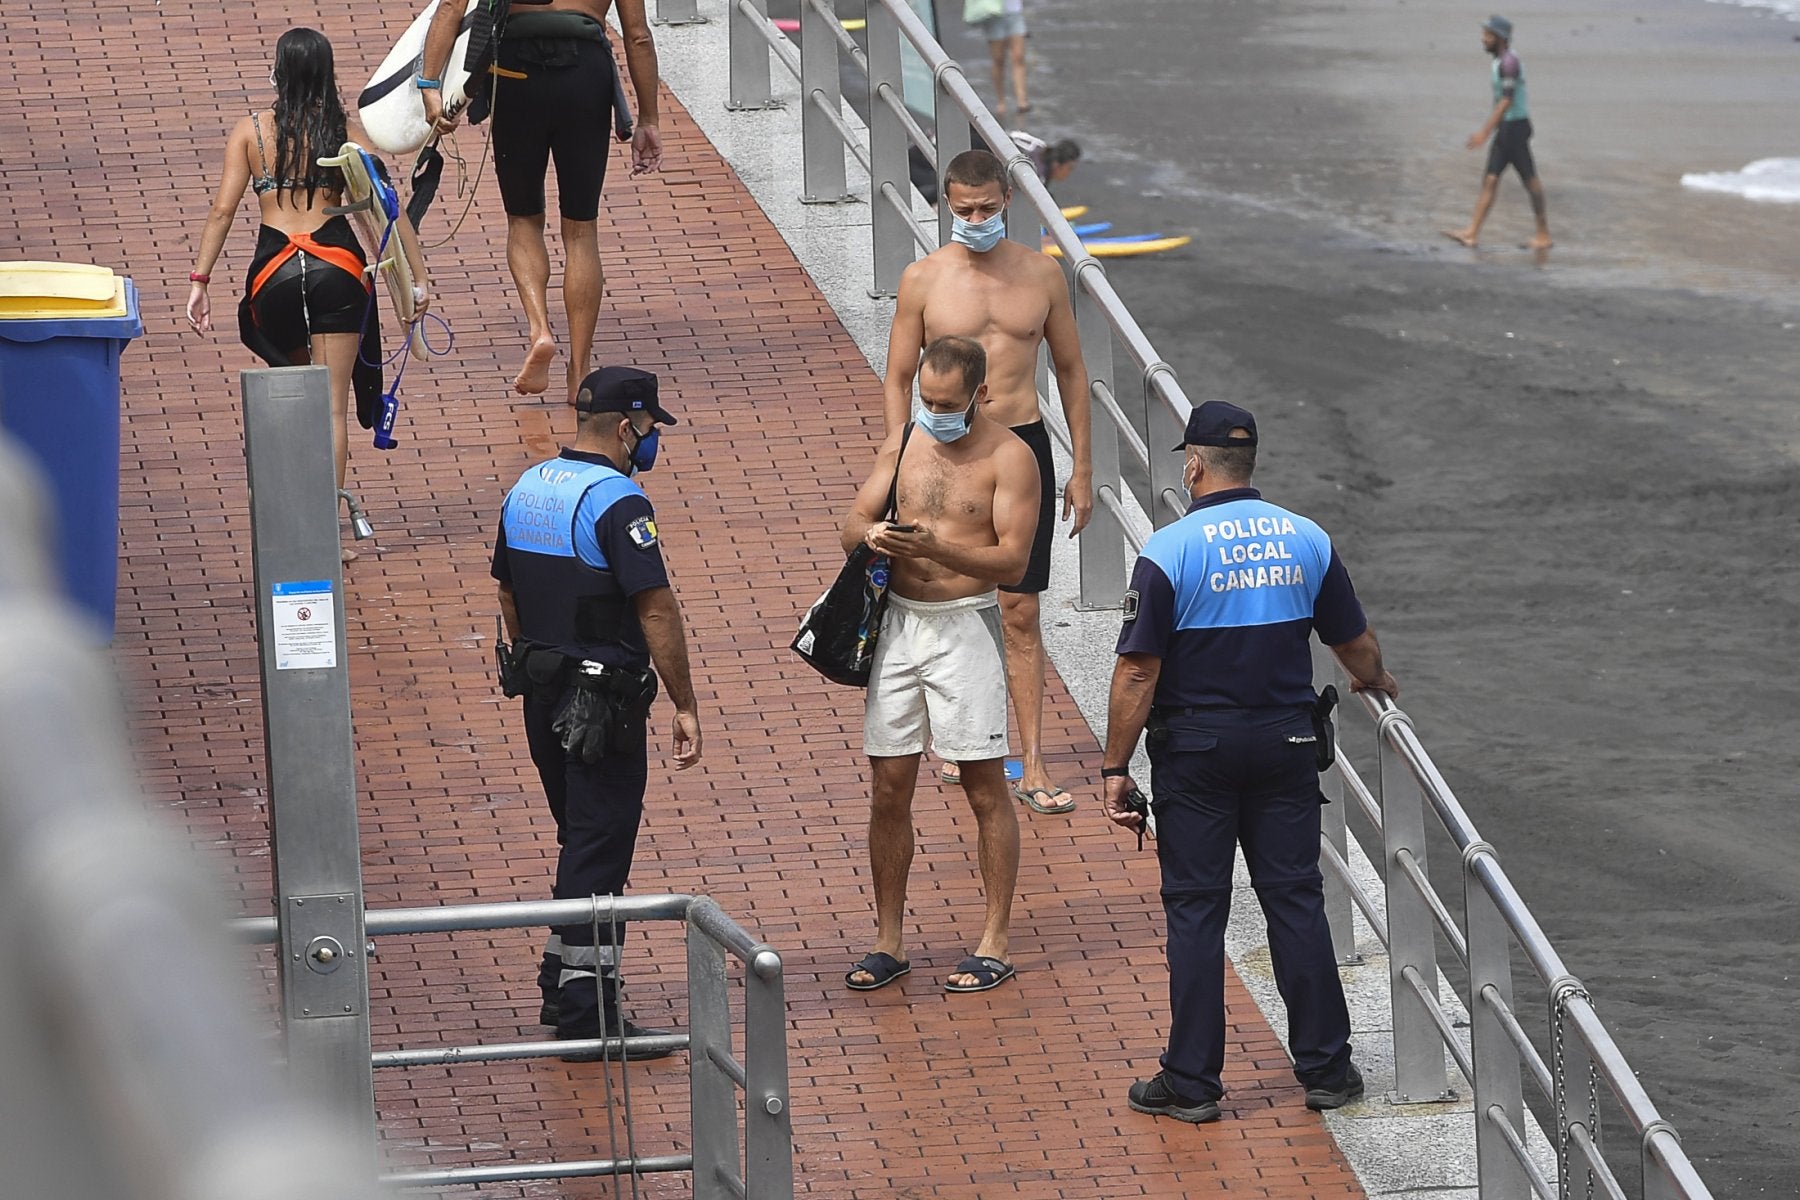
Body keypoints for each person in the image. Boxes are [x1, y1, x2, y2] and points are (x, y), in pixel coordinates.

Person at [1099, 401, 1396, 1122]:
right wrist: (1375, 680)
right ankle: (1327, 1070)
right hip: (1287, 743)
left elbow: (1138, 672)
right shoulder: (1307, 538)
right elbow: (1353, 644)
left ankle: (1193, 1083)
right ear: (1249, 462)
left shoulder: (1170, 551)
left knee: (1197, 913)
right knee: (1293, 900)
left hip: (1197, 750)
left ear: (1194, 464)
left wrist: (1115, 767)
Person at [492, 365, 701, 1059]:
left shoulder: (527, 487)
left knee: (579, 839)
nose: (648, 442)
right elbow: (655, 608)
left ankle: (562, 977)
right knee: (600, 844)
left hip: (543, 693)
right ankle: (587, 1012)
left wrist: (532, 656)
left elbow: (508, 593)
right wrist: (684, 702)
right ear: (623, 427)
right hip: (600, 705)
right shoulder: (621, 502)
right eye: (647, 428)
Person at [883, 148, 1093, 816]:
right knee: (943, 596)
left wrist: (1082, 468)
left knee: (1021, 609)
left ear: (1009, 201)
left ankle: (1031, 764)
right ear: (948, 205)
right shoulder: (923, 278)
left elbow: (1070, 371)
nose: (975, 220)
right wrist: (898, 452)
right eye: (963, 210)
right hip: (943, 448)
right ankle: (954, 741)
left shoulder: (1042, 276)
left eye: (988, 209)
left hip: (1021, 444)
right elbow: (897, 375)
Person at [186, 27, 430, 561]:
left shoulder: (250, 131)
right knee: (331, 412)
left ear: (278, 72)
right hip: (337, 269)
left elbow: (223, 210)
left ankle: (286, 523)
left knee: (294, 402)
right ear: (328, 74)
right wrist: (417, 281)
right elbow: (386, 208)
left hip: (272, 275)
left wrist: (200, 281)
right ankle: (323, 537)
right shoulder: (346, 131)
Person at [842, 337, 1039, 994]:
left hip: (965, 627)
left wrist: (940, 547)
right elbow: (852, 521)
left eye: (946, 404)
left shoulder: (1010, 459)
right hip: (899, 622)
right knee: (889, 787)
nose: (933, 411)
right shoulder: (904, 441)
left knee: (984, 787)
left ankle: (994, 940)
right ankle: (888, 940)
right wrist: (872, 535)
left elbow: (1012, 563)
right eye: (926, 399)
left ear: (980, 394)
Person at [421, 0, 664, 404]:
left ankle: (540, 330)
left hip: (517, 71)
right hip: (586, 74)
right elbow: (638, 36)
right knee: (581, 229)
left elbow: (450, 6)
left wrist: (430, 86)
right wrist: (648, 119)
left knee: (524, 219)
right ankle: (581, 372)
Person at [1443, 14, 1551, 251]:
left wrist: (1483, 133)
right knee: (1490, 179)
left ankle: (1543, 234)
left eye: (1487, 35)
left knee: (1530, 180)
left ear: (1500, 38)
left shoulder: (1509, 63)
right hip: (1507, 129)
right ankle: (1472, 233)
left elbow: (1506, 101)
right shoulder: (1498, 61)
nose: (1483, 39)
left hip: (1515, 128)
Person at [972, 0, 1031, 121]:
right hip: (993, 13)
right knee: (998, 59)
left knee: (1018, 56)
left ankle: (1022, 100)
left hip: (1015, 11)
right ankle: (1001, 101)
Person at [1009, 130, 1081, 187]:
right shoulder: (1037, 177)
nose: (1069, 174)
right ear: (1056, 165)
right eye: (1069, 168)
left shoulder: (1041, 145)